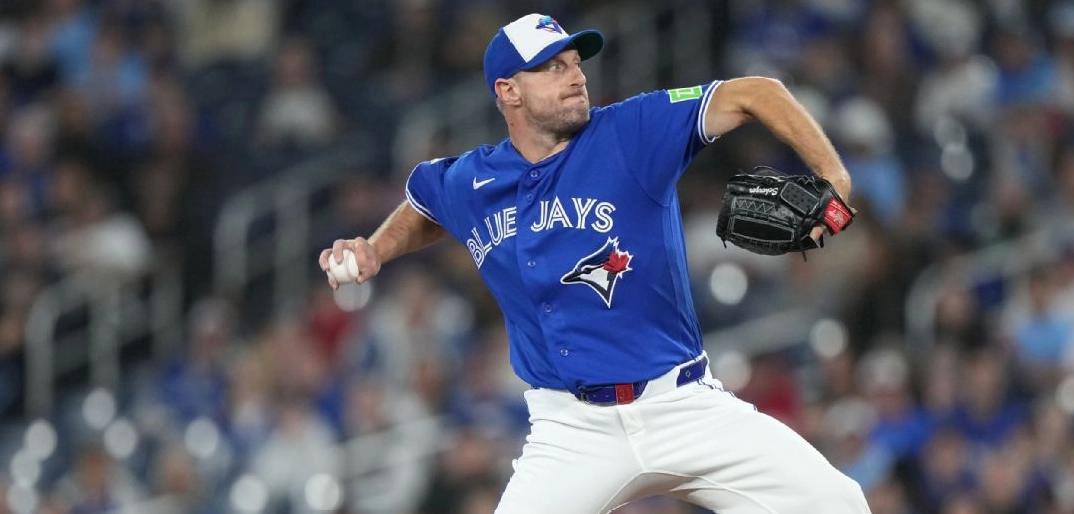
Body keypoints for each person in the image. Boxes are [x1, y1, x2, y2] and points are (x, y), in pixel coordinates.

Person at [319, 13, 871, 513]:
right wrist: (375, 249)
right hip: (571, 430)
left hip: (681, 404)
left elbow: (757, 92)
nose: (575, 76)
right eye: (553, 67)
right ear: (508, 91)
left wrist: (835, 178)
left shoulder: (631, 132)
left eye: (575, 63)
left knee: (838, 503)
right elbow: (425, 205)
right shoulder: (472, 180)